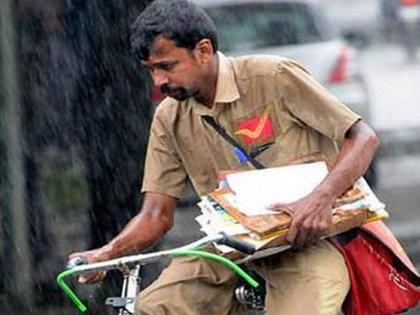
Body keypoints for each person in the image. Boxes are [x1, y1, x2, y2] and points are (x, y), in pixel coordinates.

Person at [70, 0, 380, 314]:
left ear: (203, 50)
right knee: (149, 308)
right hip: (227, 247)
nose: (158, 82)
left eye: (166, 66)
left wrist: (320, 199)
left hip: (304, 242)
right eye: (151, 70)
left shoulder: (272, 76)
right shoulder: (168, 117)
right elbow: (155, 216)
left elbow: (363, 138)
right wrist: (107, 254)